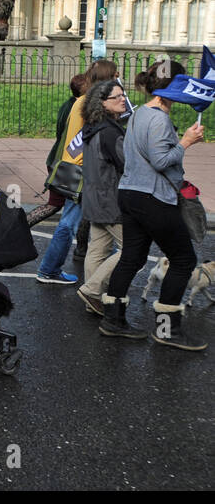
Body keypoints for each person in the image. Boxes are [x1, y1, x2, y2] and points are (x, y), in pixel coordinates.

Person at [99, 61, 207, 350]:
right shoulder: (159, 119)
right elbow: (160, 161)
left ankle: (113, 320)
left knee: (132, 256)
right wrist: (186, 141)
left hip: (131, 193)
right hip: (153, 197)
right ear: (174, 87)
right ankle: (167, 330)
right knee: (183, 260)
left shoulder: (140, 113)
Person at [37, 60, 118, 284]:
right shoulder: (96, 104)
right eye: (115, 76)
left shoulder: (81, 101)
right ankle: (51, 269)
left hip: (72, 166)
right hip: (86, 170)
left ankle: (50, 269)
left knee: (79, 221)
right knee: (81, 223)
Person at [77, 79, 129, 316]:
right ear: (102, 104)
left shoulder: (93, 127)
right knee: (131, 250)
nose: (123, 99)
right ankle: (92, 290)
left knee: (97, 249)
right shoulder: (110, 132)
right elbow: (126, 164)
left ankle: (92, 298)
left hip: (94, 199)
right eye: (116, 97)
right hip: (111, 201)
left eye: (123, 95)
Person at [27, 74, 87, 227]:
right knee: (55, 204)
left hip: (58, 158)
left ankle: (21, 224)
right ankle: (21, 224)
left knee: (59, 205)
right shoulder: (78, 107)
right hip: (64, 161)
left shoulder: (68, 104)